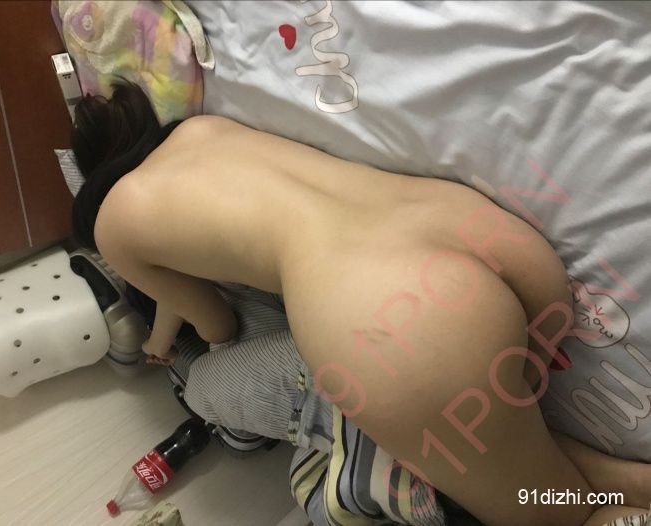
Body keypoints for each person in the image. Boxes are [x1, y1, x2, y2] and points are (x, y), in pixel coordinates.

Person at [71, 81, 650, 526]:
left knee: (562, 513)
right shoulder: (199, 131)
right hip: (486, 240)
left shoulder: (108, 229)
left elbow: (216, 323)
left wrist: (158, 342)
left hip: (398, 323)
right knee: (533, 464)